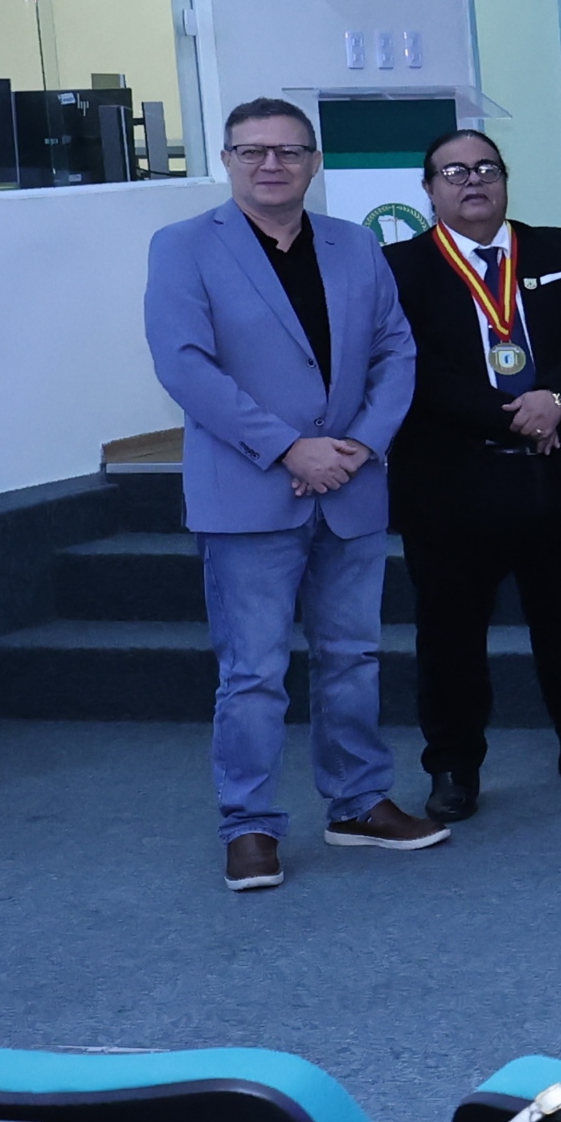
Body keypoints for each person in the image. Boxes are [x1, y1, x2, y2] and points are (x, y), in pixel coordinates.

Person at [145, 98, 438, 889]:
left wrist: (360, 446)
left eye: (288, 150)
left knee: (352, 658)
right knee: (253, 673)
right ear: (227, 158)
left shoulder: (356, 244)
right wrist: (288, 447)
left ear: (313, 162)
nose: (270, 164)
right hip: (249, 491)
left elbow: (395, 351)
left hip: (350, 485)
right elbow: (185, 367)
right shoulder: (182, 248)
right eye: (252, 151)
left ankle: (358, 801)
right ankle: (248, 824)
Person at [383, 126, 561, 825]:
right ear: (430, 188)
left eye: (487, 167)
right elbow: (410, 365)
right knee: (450, 636)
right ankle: (454, 767)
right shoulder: (399, 266)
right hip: (454, 482)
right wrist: (512, 414)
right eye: (455, 170)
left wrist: (556, 398)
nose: (474, 181)